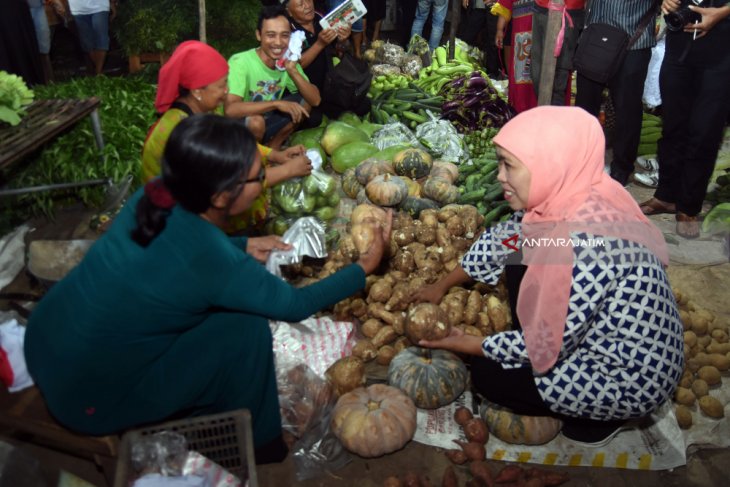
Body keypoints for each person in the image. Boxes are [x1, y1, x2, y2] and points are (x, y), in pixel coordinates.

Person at [24, 114, 392, 464]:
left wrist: (243, 245)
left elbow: (172, 250)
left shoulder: (156, 193)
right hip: (89, 398)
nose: (265, 179)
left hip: (44, 341)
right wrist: (364, 267)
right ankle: (261, 444)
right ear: (219, 197)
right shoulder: (211, 258)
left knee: (219, 318)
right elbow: (295, 304)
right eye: (257, 176)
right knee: (246, 328)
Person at [415, 106, 683, 445]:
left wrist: (468, 343)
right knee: (518, 255)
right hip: (604, 340)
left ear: (549, 165)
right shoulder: (571, 198)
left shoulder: (588, 246)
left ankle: (602, 419)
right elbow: (504, 241)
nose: (499, 176)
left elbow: (546, 344)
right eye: (500, 163)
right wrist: (441, 286)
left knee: (488, 375)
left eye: (509, 165)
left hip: (628, 375)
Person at [141, 40, 312, 231]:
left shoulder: (199, 112)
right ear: (197, 90)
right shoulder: (184, 133)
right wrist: (288, 170)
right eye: (222, 86)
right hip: (179, 223)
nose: (227, 92)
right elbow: (229, 185)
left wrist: (276, 155)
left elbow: (229, 143)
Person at [639, 0, 730, 239]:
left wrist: (722, 13)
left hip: (721, 51)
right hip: (679, 47)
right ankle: (666, 196)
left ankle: (689, 206)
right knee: (672, 126)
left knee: (704, 131)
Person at [574, 0, 659, 186]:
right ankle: (582, 163)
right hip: (596, 38)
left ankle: (622, 168)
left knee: (627, 110)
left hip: (633, 43)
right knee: (584, 106)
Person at [225, 5, 321, 150]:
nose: (278, 42)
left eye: (284, 35)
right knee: (256, 122)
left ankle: (273, 147)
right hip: (235, 128)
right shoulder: (240, 62)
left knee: (304, 100)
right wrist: (276, 104)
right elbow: (230, 110)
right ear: (259, 35)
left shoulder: (286, 61)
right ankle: (250, 158)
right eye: (271, 35)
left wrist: (292, 70)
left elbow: (315, 99)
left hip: (266, 121)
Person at [283, 0, 371, 119]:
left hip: (329, 84)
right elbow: (294, 66)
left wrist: (343, 39)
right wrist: (320, 44)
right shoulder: (286, 30)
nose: (308, 6)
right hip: (305, 90)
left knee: (364, 105)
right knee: (314, 119)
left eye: (308, 0)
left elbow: (339, 50)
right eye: (300, 4)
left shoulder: (320, 18)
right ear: (289, 12)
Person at [529, 0, 585, 105]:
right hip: (541, 9)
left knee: (557, 78)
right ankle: (546, 113)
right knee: (536, 73)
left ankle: (554, 117)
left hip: (568, 12)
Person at [491, 0, 537, 112]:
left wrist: (500, 29)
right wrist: (499, 30)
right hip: (522, 32)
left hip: (542, 29)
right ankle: (522, 108)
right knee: (522, 74)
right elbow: (505, 4)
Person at [67, 0, 114, 75]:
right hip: (78, 9)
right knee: (87, 42)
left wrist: (112, 4)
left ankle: (98, 71)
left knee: (101, 38)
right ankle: (98, 70)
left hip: (100, 6)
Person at [459, 0, 501, 79]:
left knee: (492, 39)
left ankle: (492, 72)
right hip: (478, 6)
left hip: (494, 6)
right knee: (467, 37)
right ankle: (461, 66)